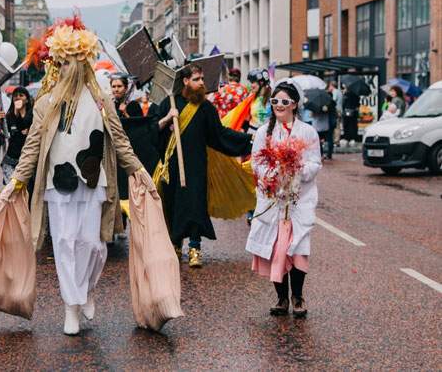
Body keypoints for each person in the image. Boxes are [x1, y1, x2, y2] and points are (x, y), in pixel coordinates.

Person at [9, 20, 146, 335]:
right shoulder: (45, 103)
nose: (69, 67)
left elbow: (120, 139)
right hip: (58, 187)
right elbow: (31, 148)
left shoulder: (101, 99)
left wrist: (138, 171)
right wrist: (16, 181)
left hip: (93, 183)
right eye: (64, 62)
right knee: (65, 245)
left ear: (84, 63)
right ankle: (71, 306)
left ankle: (88, 290)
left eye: (75, 62)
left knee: (94, 245)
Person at [156, 62, 252, 267]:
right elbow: (153, 128)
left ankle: (194, 248)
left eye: (201, 79)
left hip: (197, 165)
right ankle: (175, 244)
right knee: (172, 204)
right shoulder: (169, 103)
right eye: (196, 79)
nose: (201, 83)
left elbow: (218, 135)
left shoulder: (206, 107)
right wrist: (167, 118)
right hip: (172, 165)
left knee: (195, 204)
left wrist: (247, 141)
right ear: (185, 81)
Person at [246, 78, 321, 318]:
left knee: (297, 249)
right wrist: (273, 175)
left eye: (284, 101)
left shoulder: (308, 132)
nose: (279, 105)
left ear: (295, 105)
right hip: (273, 202)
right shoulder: (262, 133)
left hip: (298, 201)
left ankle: (298, 296)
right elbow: (256, 162)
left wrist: (296, 171)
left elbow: (315, 163)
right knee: (276, 249)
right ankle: (281, 298)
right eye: (275, 101)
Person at [110, 74, 160, 240]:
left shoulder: (132, 106)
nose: (116, 89)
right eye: (114, 86)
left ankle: (130, 225)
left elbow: (138, 127)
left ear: (125, 88)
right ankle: (117, 225)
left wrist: (127, 115)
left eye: (119, 86)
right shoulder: (110, 104)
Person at [1, 87, 34, 183]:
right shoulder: (9, 116)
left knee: (25, 191)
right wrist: (0, 121)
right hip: (11, 159)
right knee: (11, 190)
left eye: (21, 95)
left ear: (27, 99)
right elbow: (2, 133)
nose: (18, 97)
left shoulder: (32, 114)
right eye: (15, 96)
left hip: (26, 160)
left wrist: (30, 132)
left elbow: (23, 126)